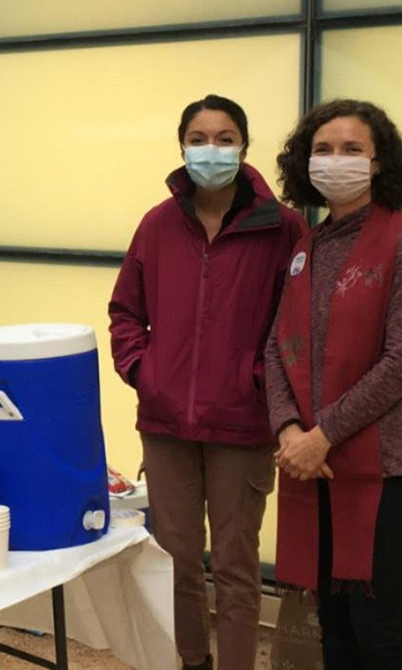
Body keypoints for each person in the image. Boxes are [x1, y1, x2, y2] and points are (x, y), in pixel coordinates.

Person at [109, 95, 306, 670]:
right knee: (174, 558)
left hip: (243, 425)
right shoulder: (158, 224)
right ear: (182, 147)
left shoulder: (281, 227)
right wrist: (144, 372)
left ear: (244, 146)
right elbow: (125, 311)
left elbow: (295, 328)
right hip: (166, 423)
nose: (211, 150)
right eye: (199, 139)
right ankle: (190, 660)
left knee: (237, 567)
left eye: (224, 138)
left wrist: (259, 385)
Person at [267, 99, 402, 668]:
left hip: (384, 473)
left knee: (380, 637)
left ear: (379, 162)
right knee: (335, 633)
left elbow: (401, 363)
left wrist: (321, 436)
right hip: (312, 469)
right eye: (323, 149)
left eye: (351, 149)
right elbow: (276, 347)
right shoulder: (305, 249)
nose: (335, 159)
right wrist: (289, 431)